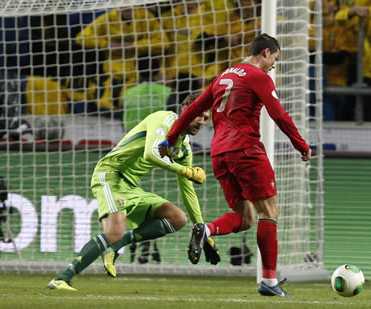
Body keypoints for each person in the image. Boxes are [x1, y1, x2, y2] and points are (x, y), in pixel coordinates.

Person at [158, 33, 312, 297]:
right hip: (246, 150)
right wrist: (301, 145)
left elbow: (193, 107)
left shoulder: (223, 76)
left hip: (219, 153)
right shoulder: (258, 76)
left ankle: (206, 229)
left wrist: (169, 140)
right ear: (265, 53)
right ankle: (270, 281)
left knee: (245, 218)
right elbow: (278, 114)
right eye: (275, 58)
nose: (274, 65)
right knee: (269, 212)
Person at [47, 93, 219, 291]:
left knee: (177, 218)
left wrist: (201, 229)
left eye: (206, 118)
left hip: (131, 186)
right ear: (186, 109)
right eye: (199, 115)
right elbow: (151, 153)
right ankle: (62, 278)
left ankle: (117, 247)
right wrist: (186, 171)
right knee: (114, 232)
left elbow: (187, 190)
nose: (202, 121)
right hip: (110, 174)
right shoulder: (164, 119)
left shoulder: (185, 149)